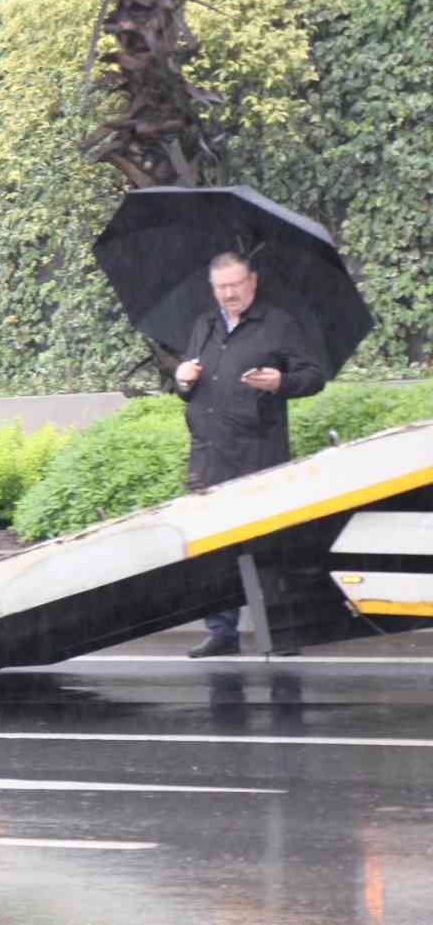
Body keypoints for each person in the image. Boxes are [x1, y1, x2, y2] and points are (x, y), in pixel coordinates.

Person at [174, 251, 325, 657]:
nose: (228, 294)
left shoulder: (277, 323)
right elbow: (190, 383)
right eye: (221, 287)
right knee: (214, 549)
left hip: (258, 452)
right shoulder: (203, 325)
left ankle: (282, 633)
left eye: (235, 285)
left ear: (252, 283)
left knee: (268, 547)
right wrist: (181, 380)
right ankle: (222, 632)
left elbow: (314, 376)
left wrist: (281, 382)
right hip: (208, 453)